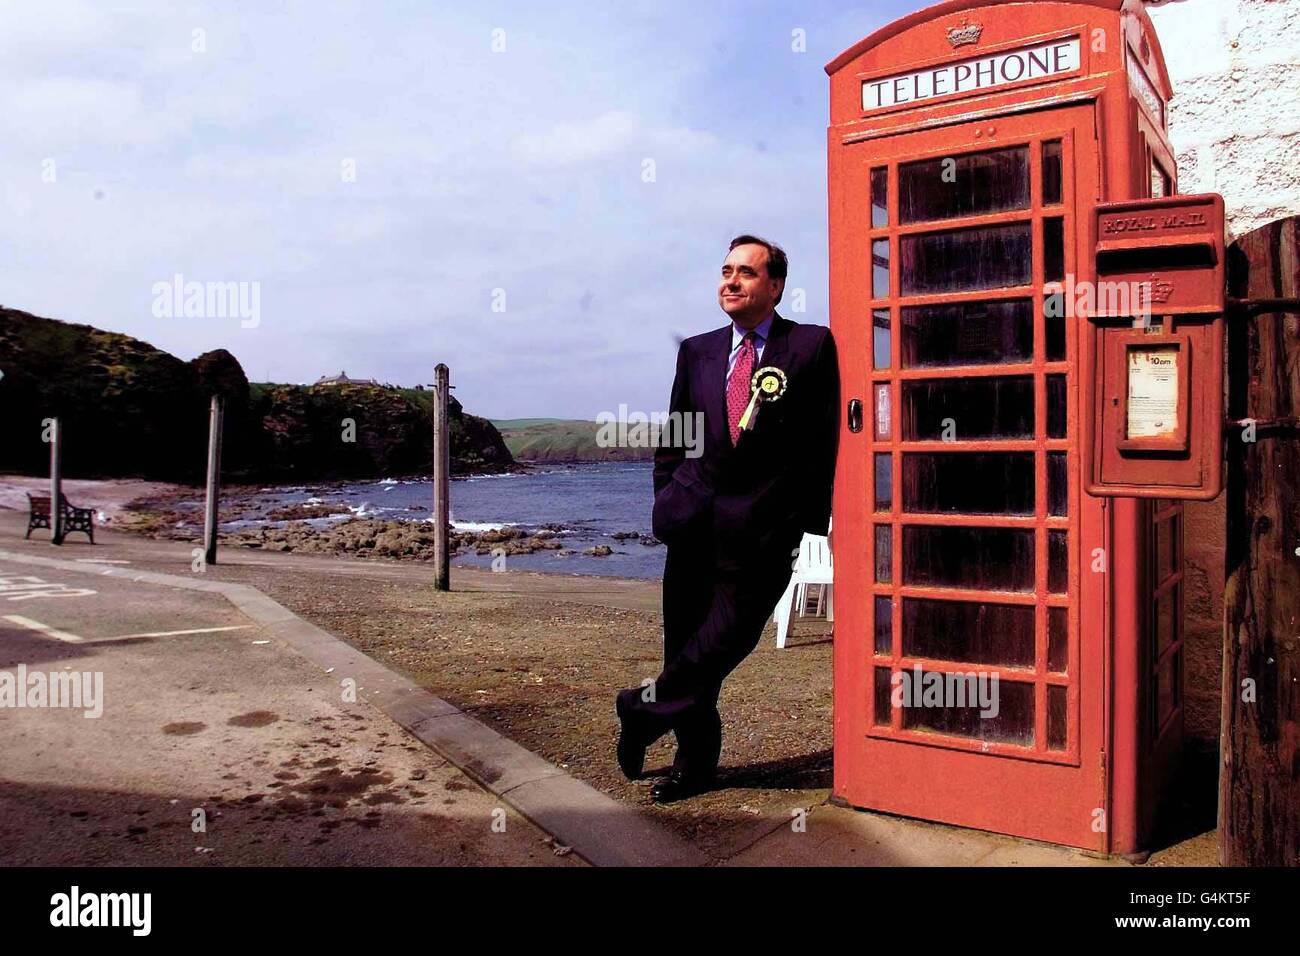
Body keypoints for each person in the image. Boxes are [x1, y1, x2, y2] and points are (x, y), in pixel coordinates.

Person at [614, 234, 840, 802]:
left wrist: (810, 521)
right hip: (691, 523)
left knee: (723, 643)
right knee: (684, 646)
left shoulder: (811, 347)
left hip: (764, 533)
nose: (731, 281)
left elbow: (823, 440)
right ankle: (694, 764)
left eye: (746, 271)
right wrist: (665, 501)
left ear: (776, 285)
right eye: (726, 270)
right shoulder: (698, 350)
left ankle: (641, 709)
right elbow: (678, 435)